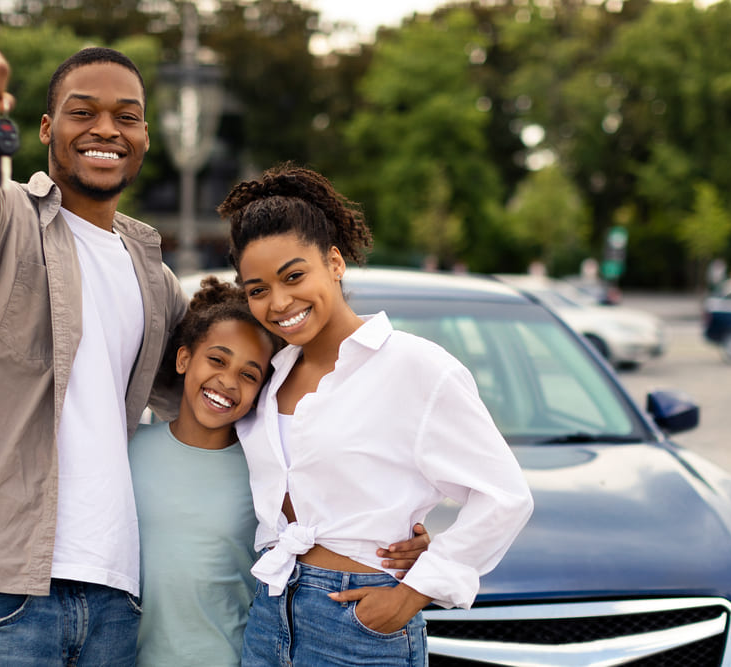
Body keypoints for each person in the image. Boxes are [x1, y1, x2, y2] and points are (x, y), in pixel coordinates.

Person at [0, 41, 187, 664]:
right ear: (47, 129)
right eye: (83, 112)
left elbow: (220, 401)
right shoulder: (4, 223)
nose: (106, 128)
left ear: (143, 136)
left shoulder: (153, 275)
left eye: (127, 116)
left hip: (117, 593)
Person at [217, 164, 535, 665]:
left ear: (336, 263)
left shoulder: (414, 367)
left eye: (294, 276)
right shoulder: (268, 375)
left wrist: (416, 592)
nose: (279, 302)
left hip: (358, 620)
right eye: (257, 289)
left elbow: (505, 497)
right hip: (271, 610)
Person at [130, 276, 432, 667]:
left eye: (249, 375)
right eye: (217, 360)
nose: (227, 381)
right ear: (184, 358)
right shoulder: (129, 451)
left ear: (264, 389)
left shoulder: (269, 470)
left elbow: (335, 527)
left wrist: (410, 546)